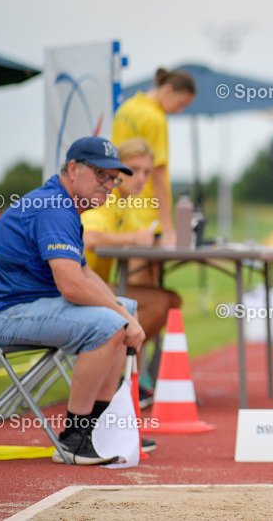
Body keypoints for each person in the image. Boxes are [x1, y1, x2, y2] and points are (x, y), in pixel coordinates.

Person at [0, 137, 152, 464]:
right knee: (111, 323)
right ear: (74, 169)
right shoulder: (54, 207)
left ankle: (99, 429)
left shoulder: (62, 204)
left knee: (125, 311)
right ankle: (74, 439)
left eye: (113, 178)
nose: (108, 185)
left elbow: (85, 274)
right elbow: (73, 287)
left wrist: (125, 312)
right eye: (101, 175)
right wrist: (122, 316)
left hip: (13, 311)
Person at [81, 138, 182, 395]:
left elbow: (143, 236)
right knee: (162, 302)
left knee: (171, 300)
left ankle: (122, 373)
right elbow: (89, 238)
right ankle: (117, 375)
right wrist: (133, 238)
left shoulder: (127, 202)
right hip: (74, 289)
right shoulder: (106, 198)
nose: (141, 178)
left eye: (147, 172)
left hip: (94, 286)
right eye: (133, 169)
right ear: (115, 170)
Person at [111, 68, 196, 248]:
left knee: (126, 271)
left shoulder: (126, 108)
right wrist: (168, 229)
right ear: (168, 90)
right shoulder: (155, 119)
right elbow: (158, 175)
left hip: (118, 206)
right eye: (180, 103)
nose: (180, 111)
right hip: (146, 211)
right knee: (144, 275)